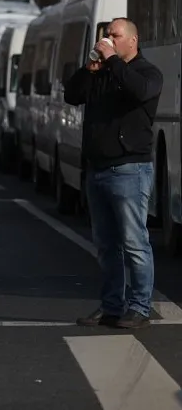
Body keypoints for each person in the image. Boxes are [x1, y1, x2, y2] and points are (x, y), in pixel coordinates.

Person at [64, 17, 163, 329]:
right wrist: (88, 70)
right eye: (107, 35)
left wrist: (111, 60)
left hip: (129, 170)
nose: (108, 39)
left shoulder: (147, 73)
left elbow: (139, 91)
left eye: (115, 35)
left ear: (132, 41)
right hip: (98, 170)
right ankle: (111, 306)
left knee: (134, 242)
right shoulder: (104, 73)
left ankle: (140, 307)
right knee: (107, 246)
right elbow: (72, 95)